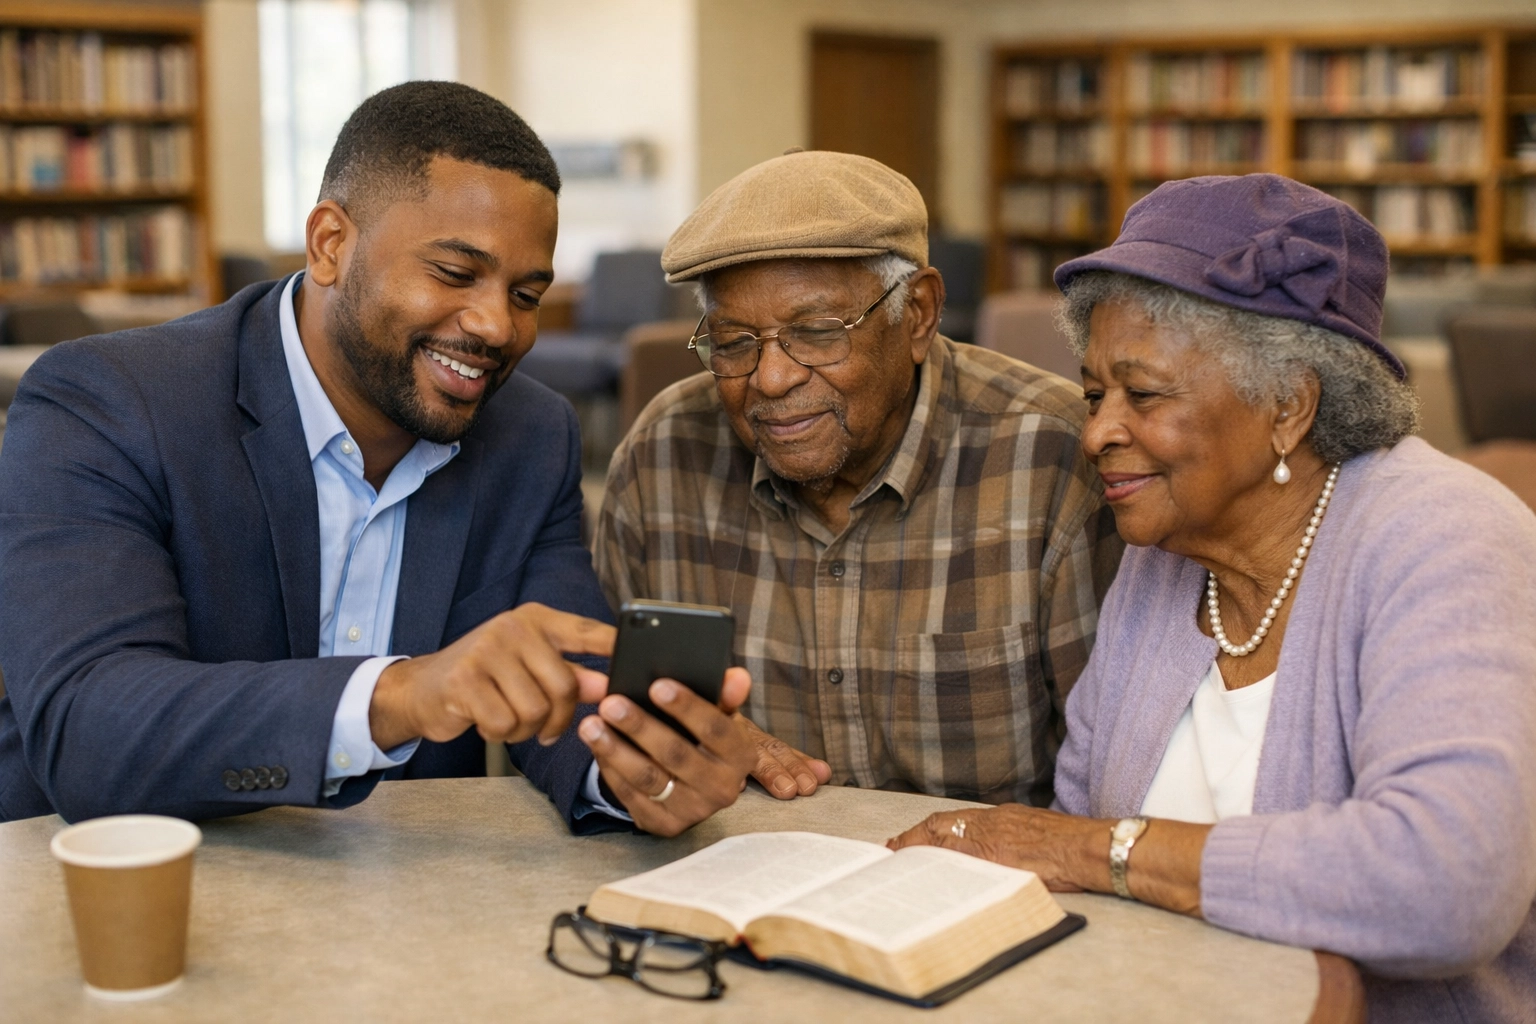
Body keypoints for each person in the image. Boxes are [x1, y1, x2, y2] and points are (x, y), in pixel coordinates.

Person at [0, 82, 757, 837]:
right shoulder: (109, 402)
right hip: (114, 888)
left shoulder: (531, 435)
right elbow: (87, 727)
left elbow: (569, 683)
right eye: (455, 274)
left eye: (525, 294)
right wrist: (399, 695)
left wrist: (633, 766)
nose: (496, 326)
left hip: (402, 915)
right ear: (331, 244)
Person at [889, 174, 1536, 1022]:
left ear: (1288, 406)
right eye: (1092, 394)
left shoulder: (1443, 536)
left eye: (1142, 394)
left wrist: (1105, 853)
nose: (1095, 434)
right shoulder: (1166, 550)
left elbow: (1447, 883)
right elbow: (1075, 828)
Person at [593, 150, 1122, 807]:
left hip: (979, 884)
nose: (771, 378)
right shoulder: (662, 456)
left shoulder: (1051, 457)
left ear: (920, 313)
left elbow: (1114, 777)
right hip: (743, 878)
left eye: (816, 332)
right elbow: (595, 713)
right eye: (733, 342)